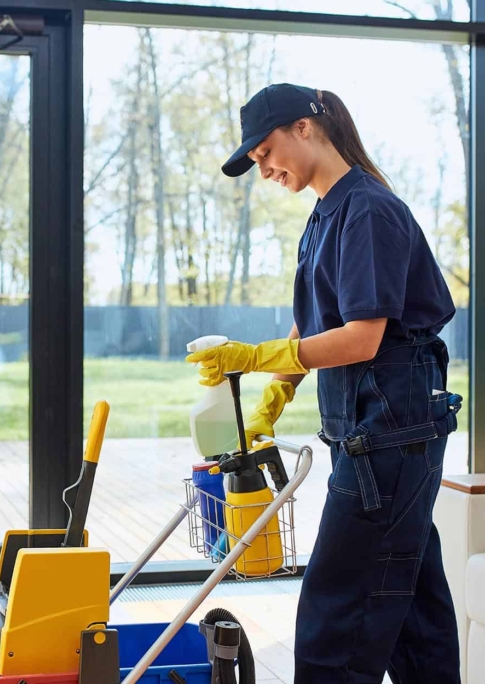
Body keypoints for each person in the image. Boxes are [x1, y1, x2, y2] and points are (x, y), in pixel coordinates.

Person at [187, 83, 461, 683]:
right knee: (413, 609)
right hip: (376, 438)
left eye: (265, 153)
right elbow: (316, 320)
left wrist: (255, 355)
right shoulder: (330, 212)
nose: (264, 171)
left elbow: (362, 338)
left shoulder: (368, 210)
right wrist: (272, 396)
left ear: (304, 128)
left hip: (386, 439)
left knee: (334, 619)